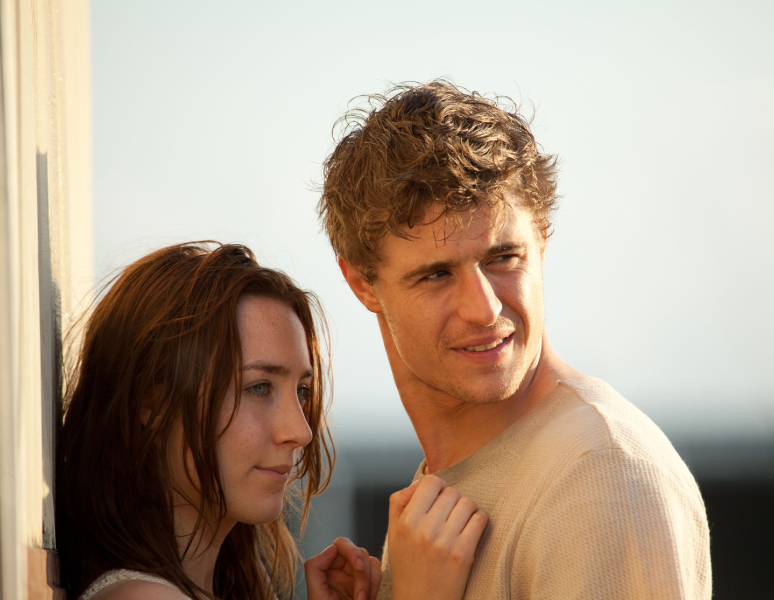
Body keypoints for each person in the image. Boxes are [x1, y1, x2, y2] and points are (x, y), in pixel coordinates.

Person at [318, 81, 713, 599]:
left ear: (542, 237)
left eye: (503, 258)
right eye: (436, 275)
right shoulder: (455, 490)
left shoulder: (599, 473)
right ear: (362, 284)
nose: (484, 309)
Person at [57, 242, 486, 600]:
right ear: (151, 402)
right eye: (259, 387)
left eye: (302, 392)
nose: (299, 431)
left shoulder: (227, 585)